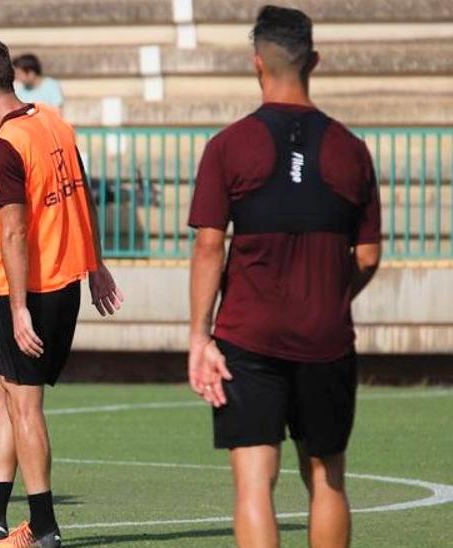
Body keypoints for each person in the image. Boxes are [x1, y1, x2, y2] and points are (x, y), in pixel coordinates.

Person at [187, 6, 381, 547]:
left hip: (246, 337)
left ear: (257, 63)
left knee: (254, 484)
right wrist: (330, 299)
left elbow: (208, 247)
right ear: (313, 61)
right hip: (327, 338)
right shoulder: (351, 149)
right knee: (327, 478)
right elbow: (367, 257)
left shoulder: (228, 146)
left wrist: (200, 336)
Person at [0, 38, 122, 548]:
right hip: (62, 281)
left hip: (34, 289)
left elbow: (14, 232)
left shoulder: (5, 145)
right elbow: (83, 193)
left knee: (25, 406)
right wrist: (96, 264)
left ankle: (44, 528)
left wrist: (20, 308)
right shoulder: (52, 119)